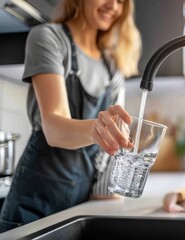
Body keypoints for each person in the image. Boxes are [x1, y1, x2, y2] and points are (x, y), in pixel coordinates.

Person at [0, 0, 141, 233]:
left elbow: (108, 156)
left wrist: (112, 195)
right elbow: (54, 129)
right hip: (31, 209)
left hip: (77, 209)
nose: (113, 6)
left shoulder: (112, 66)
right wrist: (97, 129)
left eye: (121, 1)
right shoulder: (48, 38)